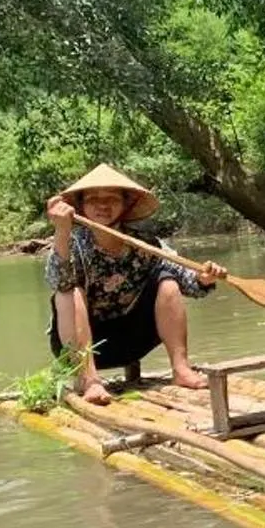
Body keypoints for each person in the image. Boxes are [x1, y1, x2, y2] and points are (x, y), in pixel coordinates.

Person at [44, 164, 227, 405]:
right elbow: (57, 281)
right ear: (81, 206)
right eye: (93, 199)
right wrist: (62, 232)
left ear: (126, 204)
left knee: (167, 281)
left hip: (132, 341)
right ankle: (89, 380)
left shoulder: (145, 244)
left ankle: (181, 369)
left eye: (111, 198)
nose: (102, 205)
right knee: (69, 291)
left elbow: (188, 281)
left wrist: (205, 277)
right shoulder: (73, 244)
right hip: (80, 348)